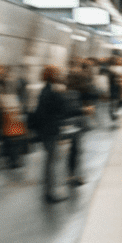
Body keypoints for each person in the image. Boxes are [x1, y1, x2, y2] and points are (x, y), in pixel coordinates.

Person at [30, 64, 80, 202]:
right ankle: (49, 194)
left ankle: (49, 191)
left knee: (50, 161)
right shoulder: (53, 92)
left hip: (46, 130)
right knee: (50, 163)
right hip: (51, 130)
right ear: (53, 76)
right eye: (57, 74)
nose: (60, 76)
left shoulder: (43, 91)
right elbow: (63, 109)